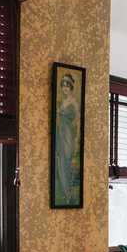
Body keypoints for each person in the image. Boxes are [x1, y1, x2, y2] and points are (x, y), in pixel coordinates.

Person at [55, 73, 80, 204]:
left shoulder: (74, 103)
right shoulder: (61, 102)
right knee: (60, 161)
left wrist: (76, 140)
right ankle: (66, 193)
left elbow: (78, 121)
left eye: (67, 86)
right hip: (60, 133)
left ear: (71, 87)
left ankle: (69, 192)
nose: (65, 88)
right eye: (63, 86)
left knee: (67, 162)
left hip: (69, 135)